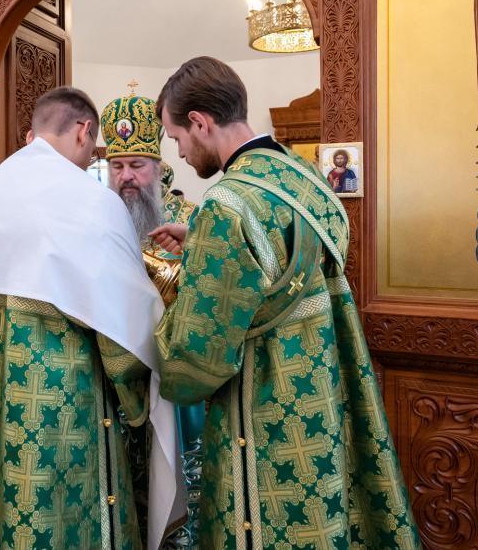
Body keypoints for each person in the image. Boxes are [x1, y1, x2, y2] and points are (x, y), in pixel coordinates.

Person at [150, 57, 419, 548]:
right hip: (324, 379)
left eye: (177, 137)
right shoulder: (304, 177)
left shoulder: (225, 205)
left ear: (200, 122)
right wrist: (201, 244)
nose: (180, 153)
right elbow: (288, 258)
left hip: (265, 402)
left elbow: (197, 355)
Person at [0, 87, 183, 549]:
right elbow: (124, 340)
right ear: (83, 131)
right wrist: (137, 401)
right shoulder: (93, 203)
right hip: (61, 409)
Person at [101, 90, 202, 548]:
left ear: (158, 167)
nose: (126, 177)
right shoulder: (99, 223)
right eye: (117, 166)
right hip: (118, 386)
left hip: (175, 385)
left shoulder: (192, 220)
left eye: (137, 165)